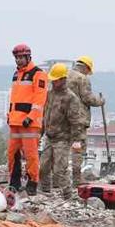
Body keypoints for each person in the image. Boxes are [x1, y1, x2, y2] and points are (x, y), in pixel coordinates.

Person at [6, 44, 47, 194]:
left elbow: (40, 98)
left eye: (21, 57)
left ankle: (32, 183)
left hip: (30, 123)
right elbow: (14, 98)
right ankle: (14, 182)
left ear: (28, 57)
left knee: (31, 154)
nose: (19, 60)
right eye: (17, 57)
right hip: (15, 121)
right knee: (12, 153)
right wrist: (9, 115)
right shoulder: (16, 75)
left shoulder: (38, 74)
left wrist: (31, 117)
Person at [38, 63, 82, 197]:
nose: (53, 82)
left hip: (62, 139)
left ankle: (67, 194)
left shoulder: (70, 98)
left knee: (59, 169)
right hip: (49, 137)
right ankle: (45, 191)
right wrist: (40, 133)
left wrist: (76, 140)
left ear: (63, 79)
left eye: (55, 79)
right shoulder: (50, 94)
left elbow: (75, 121)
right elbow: (45, 115)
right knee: (43, 167)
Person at [66, 55, 104, 183]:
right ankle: (77, 178)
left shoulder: (64, 75)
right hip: (77, 120)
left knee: (60, 147)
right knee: (77, 148)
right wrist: (100, 101)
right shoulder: (82, 79)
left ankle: (58, 178)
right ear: (86, 68)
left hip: (62, 119)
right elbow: (88, 98)